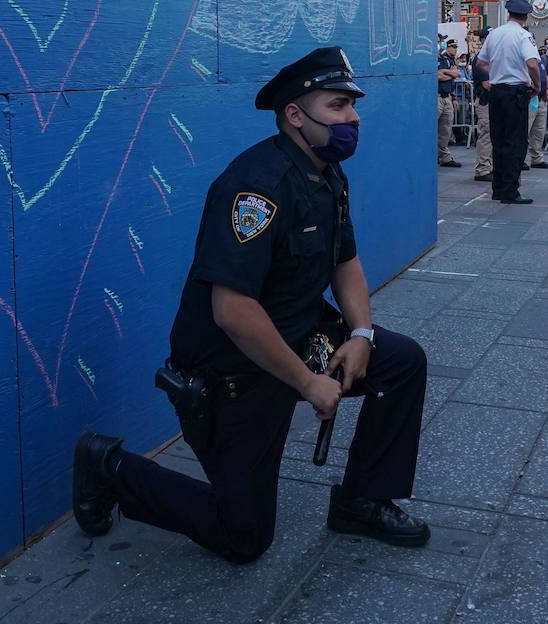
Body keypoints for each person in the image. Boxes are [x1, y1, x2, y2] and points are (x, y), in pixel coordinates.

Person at [71, 47, 431, 563]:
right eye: (337, 106)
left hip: (297, 337)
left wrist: (360, 336)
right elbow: (233, 312)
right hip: (234, 370)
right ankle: (108, 466)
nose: (352, 118)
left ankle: (361, 500)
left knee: (400, 362)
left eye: (352, 106)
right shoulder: (256, 189)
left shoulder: (326, 173)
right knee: (242, 535)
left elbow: (344, 261)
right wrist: (308, 384)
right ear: (294, 116)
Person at [475, 0, 541, 204]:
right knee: (516, 142)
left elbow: (480, 62)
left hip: (496, 92)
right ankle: (510, 191)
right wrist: (536, 84)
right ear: (526, 16)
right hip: (515, 92)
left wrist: (496, 72)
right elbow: (532, 63)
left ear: (508, 13)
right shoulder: (523, 35)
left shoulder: (494, 34)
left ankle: (498, 189)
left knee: (499, 139)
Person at [472, 29, 493, 182]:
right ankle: (482, 169)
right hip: (485, 100)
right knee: (486, 134)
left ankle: (489, 166)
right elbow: (487, 84)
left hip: (493, 101)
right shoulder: (481, 59)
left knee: (492, 135)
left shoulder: (492, 58)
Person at [436, 40, 461, 168]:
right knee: (432, 128)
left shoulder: (446, 59)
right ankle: (432, 155)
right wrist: (450, 74)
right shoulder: (433, 59)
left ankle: (444, 157)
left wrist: (448, 73)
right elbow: (438, 76)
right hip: (436, 97)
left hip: (447, 97)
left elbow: (457, 73)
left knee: (445, 130)